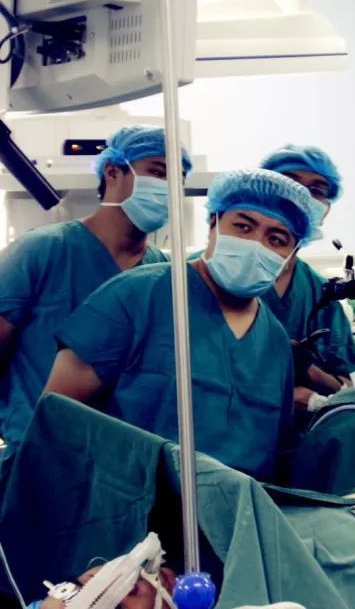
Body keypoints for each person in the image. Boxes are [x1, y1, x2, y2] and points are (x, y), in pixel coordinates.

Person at [43, 168, 324, 481]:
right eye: (243, 226)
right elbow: (56, 417)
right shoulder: (136, 295)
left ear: (292, 254)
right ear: (214, 222)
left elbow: (276, 451)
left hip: (235, 509)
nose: (256, 244)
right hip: (130, 503)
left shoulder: (274, 341)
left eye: (277, 239)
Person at [0, 125, 191, 445]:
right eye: (158, 172)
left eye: (178, 180)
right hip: (40, 451)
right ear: (113, 172)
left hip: (124, 458)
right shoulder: (42, 251)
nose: (169, 188)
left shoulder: (163, 272)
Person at [257, 145, 355, 405]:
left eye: (316, 190)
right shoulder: (208, 274)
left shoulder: (321, 294)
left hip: (300, 428)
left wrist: (307, 369)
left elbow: (345, 388)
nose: (301, 196)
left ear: (325, 210)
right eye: (289, 183)